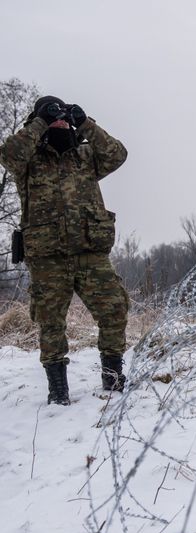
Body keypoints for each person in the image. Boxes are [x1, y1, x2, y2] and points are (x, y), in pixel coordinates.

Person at [0, 95, 130, 405]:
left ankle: (112, 379)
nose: (59, 119)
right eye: (51, 114)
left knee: (114, 311)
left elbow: (118, 154)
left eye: (61, 114)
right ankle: (58, 391)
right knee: (51, 323)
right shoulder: (28, 160)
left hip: (90, 252)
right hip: (47, 257)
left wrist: (85, 123)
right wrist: (40, 121)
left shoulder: (85, 156)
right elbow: (8, 154)